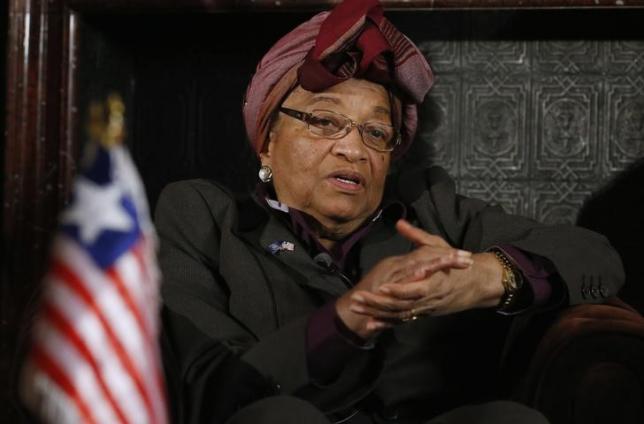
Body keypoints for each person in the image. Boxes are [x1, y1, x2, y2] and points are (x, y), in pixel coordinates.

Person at [154, 1, 624, 423]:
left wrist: (484, 278)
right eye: (324, 121)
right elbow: (214, 386)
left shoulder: (428, 209)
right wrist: (346, 321)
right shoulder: (208, 219)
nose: (353, 149)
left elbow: (594, 256)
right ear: (267, 141)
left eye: (376, 133)